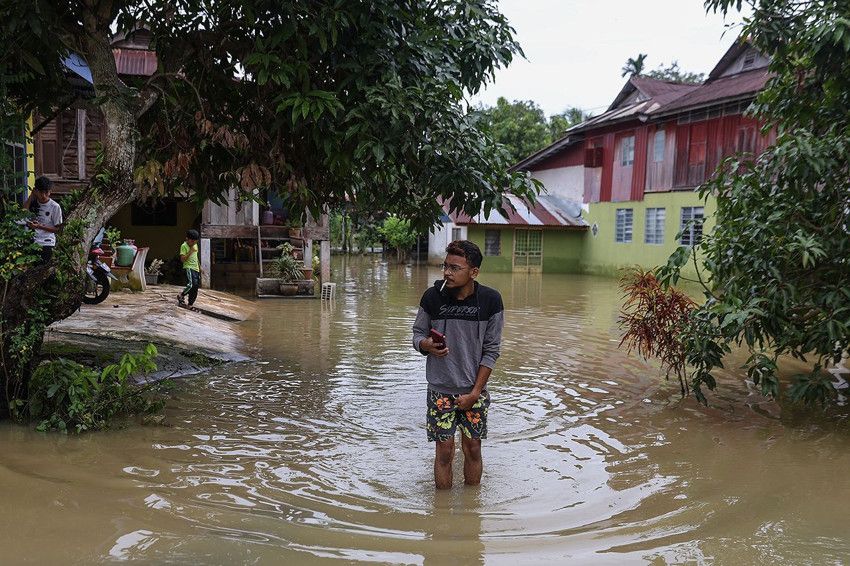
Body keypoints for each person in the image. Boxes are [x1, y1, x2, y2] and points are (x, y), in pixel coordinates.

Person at [412, 240, 504, 489]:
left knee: (473, 448)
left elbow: (491, 351)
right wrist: (426, 345)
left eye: (455, 268)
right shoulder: (432, 297)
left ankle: (472, 506)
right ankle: (441, 507)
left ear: (474, 272)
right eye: (445, 266)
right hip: (440, 390)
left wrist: (475, 393)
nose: (447, 273)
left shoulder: (491, 301)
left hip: (474, 391)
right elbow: (417, 335)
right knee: (444, 451)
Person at [23, 176, 63, 263]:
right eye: (41, 192)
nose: (43, 196)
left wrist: (39, 226)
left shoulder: (55, 206)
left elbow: (58, 229)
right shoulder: (33, 203)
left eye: (46, 192)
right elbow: (23, 212)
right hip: (32, 241)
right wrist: (31, 196)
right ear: (36, 191)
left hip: (47, 243)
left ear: (50, 192)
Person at [177, 229, 201, 306]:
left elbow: (196, 257)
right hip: (189, 267)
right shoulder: (184, 246)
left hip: (196, 268)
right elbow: (182, 259)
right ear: (187, 238)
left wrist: (200, 267)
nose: (194, 243)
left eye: (195, 241)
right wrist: (190, 251)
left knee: (195, 287)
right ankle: (181, 295)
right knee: (191, 285)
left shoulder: (195, 245)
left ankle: (190, 304)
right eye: (192, 241)